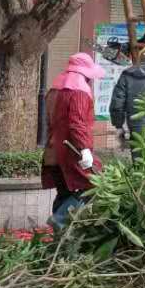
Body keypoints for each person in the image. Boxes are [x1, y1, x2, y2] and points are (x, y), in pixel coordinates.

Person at [41, 52, 104, 230]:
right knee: (93, 186)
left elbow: (49, 121)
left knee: (64, 192)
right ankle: (60, 220)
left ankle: (57, 238)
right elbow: (77, 123)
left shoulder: (54, 89)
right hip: (71, 152)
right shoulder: (79, 91)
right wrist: (84, 149)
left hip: (52, 151)